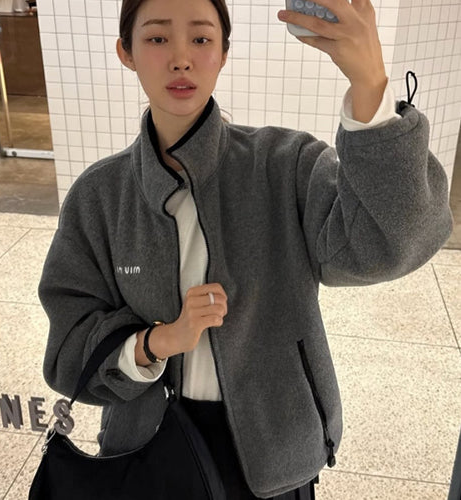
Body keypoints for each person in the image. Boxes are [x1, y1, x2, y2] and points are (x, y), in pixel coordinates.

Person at [38, 0, 453, 498]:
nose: (181, 59)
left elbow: (391, 243)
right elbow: (68, 352)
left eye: (201, 38)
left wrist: (370, 87)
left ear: (223, 53)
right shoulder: (99, 196)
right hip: (145, 454)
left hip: (275, 451)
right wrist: (156, 342)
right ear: (126, 52)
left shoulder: (285, 164)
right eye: (157, 38)